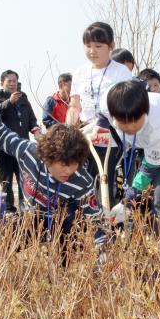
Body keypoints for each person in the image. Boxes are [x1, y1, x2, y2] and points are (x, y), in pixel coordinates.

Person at [0, 100, 106, 264]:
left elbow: (95, 219)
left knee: (70, 226)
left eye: (74, 164)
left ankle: (63, 268)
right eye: (63, 165)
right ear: (48, 157)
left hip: (62, 223)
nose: (68, 171)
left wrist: (103, 252)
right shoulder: (28, 153)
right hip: (31, 218)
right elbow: (2, 135)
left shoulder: (82, 181)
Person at [102, 80, 160, 237]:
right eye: (124, 123)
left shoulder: (156, 125)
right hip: (141, 144)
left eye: (135, 122)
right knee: (137, 197)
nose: (130, 127)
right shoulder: (106, 105)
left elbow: (150, 167)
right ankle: (139, 247)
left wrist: (129, 197)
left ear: (145, 113)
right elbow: (102, 120)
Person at [66, 22, 133, 207]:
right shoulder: (80, 73)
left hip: (109, 134)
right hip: (84, 132)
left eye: (98, 46)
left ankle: (106, 220)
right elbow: (75, 104)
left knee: (103, 179)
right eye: (88, 46)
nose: (92, 51)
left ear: (111, 46)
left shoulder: (121, 73)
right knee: (78, 178)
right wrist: (69, 125)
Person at [0, 70, 40, 214]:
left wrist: (36, 130)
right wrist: (9, 102)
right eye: (9, 81)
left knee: (24, 179)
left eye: (14, 81)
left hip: (22, 147)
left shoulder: (24, 99)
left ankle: (25, 208)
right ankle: (8, 210)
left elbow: (31, 118)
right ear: (2, 83)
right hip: (3, 148)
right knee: (6, 180)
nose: (12, 84)